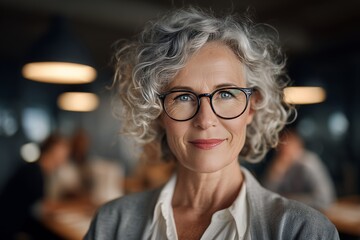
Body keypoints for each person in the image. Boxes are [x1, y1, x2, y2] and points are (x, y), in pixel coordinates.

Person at [85, 8, 339, 239]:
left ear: (251, 107)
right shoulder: (112, 224)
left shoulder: (303, 231)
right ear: (157, 112)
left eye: (226, 94)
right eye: (183, 96)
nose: (205, 120)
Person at [0, 133, 70, 239]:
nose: (66, 157)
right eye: (64, 152)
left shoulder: (36, 169)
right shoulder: (33, 173)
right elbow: (41, 208)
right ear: (54, 151)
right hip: (12, 230)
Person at [262, 128, 336, 210]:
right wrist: (276, 172)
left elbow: (325, 199)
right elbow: (266, 198)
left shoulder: (309, 163)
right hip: (291, 212)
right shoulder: (280, 164)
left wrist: (286, 199)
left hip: (313, 214)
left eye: (288, 145)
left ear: (299, 147)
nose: (283, 149)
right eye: (281, 146)